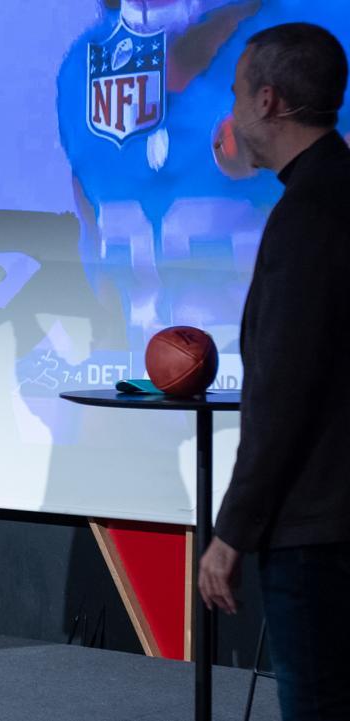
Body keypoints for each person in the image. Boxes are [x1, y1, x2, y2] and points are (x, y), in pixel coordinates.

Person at [198, 23, 350, 720]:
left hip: (317, 534)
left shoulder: (310, 214)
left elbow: (283, 395)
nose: (227, 112)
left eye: (234, 91)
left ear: (269, 100)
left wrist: (231, 534)